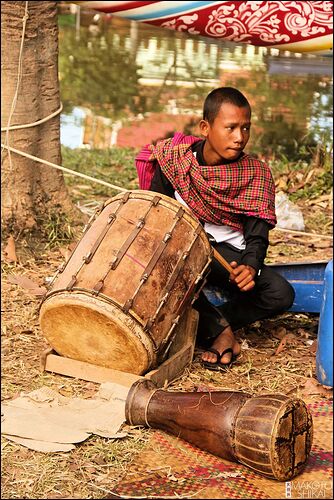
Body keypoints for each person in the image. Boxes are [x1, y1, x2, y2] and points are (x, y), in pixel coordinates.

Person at [135, 87, 295, 371]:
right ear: (205, 128)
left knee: (280, 294)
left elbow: (257, 236)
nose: (239, 137)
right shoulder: (175, 162)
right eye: (231, 127)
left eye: (245, 128)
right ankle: (220, 332)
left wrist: (250, 266)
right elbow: (157, 218)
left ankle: (207, 322)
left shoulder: (255, 173)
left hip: (226, 258)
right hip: (180, 255)